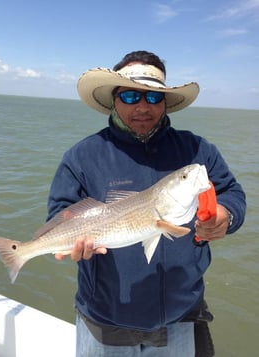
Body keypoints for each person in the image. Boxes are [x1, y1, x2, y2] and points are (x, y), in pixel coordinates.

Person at [47, 51, 246, 356]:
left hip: (182, 317)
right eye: (129, 96)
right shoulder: (82, 156)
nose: (142, 106)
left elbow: (232, 192)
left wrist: (225, 215)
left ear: (166, 102)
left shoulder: (197, 150)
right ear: (114, 100)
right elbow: (61, 212)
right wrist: (73, 242)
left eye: (153, 97)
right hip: (105, 320)